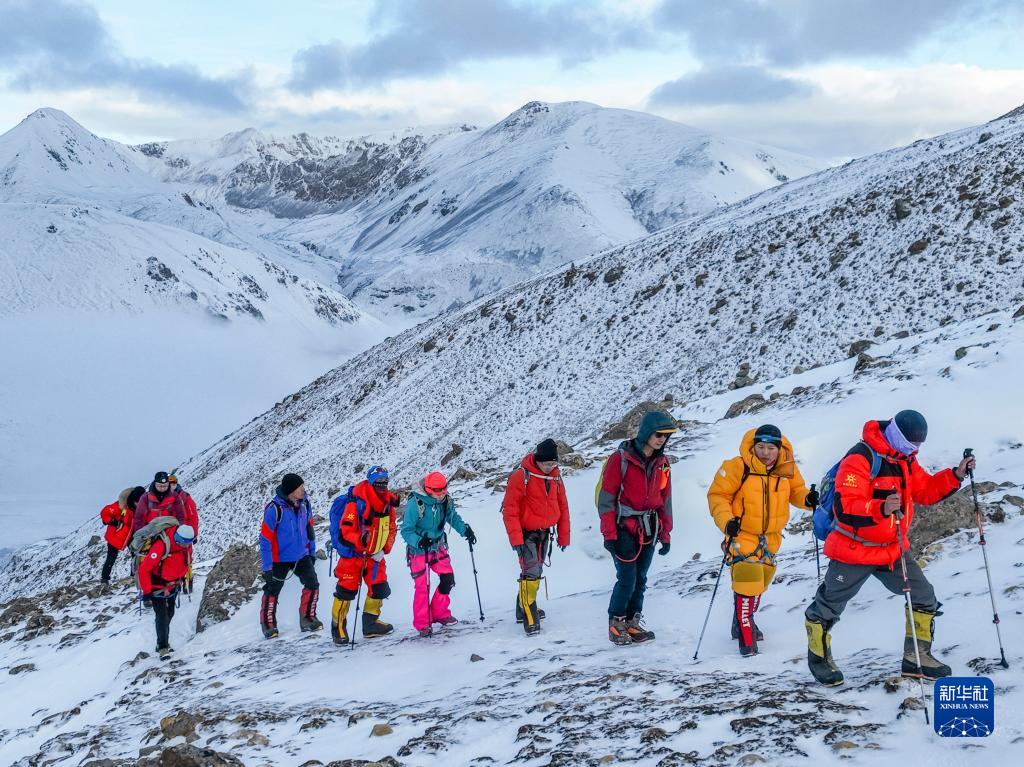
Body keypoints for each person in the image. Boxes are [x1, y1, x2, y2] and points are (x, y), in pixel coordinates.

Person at [804, 410, 974, 686]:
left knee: (923, 596)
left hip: (892, 549)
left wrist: (956, 475)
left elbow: (925, 491)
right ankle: (819, 659)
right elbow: (845, 506)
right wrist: (880, 507)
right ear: (895, 434)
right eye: (910, 444)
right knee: (828, 605)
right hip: (854, 548)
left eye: (917, 445)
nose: (914, 449)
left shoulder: (905, 460)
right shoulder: (860, 458)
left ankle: (917, 658)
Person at [707, 424, 815, 656]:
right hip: (742, 534)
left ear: (779, 449)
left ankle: (741, 623)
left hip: (771, 538)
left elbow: (797, 491)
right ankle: (747, 643)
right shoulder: (737, 467)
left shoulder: (786, 468)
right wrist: (727, 521)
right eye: (761, 447)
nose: (765, 452)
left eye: (771, 448)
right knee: (747, 584)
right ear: (753, 446)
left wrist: (809, 499)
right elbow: (718, 496)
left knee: (758, 586)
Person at [597, 411, 675, 645]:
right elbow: (606, 499)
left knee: (640, 578)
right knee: (627, 578)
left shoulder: (662, 463)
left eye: (666, 436)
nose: (662, 439)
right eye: (658, 434)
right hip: (624, 528)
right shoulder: (620, 459)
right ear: (646, 433)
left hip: (650, 528)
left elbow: (665, 500)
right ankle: (616, 623)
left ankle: (632, 623)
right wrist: (609, 534)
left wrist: (666, 534)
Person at [502, 438, 570, 636]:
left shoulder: (556, 477)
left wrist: (564, 536)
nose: (550, 467)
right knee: (531, 572)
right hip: (526, 534)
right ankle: (529, 616)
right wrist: (516, 540)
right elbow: (510, 510)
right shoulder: (521, 476)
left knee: (535, 570)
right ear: (538, 460)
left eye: (553, 463)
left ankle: (521, 608)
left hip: (545, 532)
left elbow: (563, 506)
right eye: (547, 464)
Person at [401, 471, 476, 637]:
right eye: (438, 491)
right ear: (428, 490)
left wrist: (465, 531)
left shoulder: (445, 500)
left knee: (448, 579)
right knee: (422, 587)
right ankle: (423, 624)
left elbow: (452, 517)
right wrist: (419, 541)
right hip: (419, 551)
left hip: (438, 547)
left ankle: (439, 613)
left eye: (444, 489)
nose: (441, 494)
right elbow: (406, 530)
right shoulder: (416, 503)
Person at [330, 466, 399, 643]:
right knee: (346, 591)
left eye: (385, 480)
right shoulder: (356, 503)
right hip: (353, 556)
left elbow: (392, 528)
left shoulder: (388, 503)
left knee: (379, 588)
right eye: (379, 481)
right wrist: (360, 541)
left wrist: (384, 549)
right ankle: (338, 628)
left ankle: (370, 624)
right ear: (371, 482)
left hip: (375, 557)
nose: (383, 484)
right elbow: (346, 531)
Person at [258, 473, 322, 638]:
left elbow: (309, 529)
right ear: (291, 490)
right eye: (300, 487)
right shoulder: (274, 510)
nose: (303, 490)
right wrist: (267, 567)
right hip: (278, 559)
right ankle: (268, 625)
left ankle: (308, 619)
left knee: (312, 583)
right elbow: (265, 539)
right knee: (272, 589)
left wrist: (311, 552)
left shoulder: (305, 504)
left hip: (301, 555)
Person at [137, 522, 196, 659]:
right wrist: (147, 592)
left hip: (173, 585)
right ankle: (163, 647)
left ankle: (161, 640)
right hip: (156, 586)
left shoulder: (186, 546)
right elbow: (144, 570)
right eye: (184, 543)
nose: (186, 546)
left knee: (170, 613)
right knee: (162, 616)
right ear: (178, 538)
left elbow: (185, 562)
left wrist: (181, 580)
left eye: (188, 543)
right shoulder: (161, 545)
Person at [99, 486, 144, 584]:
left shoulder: (143, 508)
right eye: (137, 502)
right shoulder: (121, 505)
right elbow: (105, 512)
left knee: (135, 555)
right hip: (116, 535)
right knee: (111, 557)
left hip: (131, 535)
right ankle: (104, 579)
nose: (139, 504)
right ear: (133, 500)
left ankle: (133, 576)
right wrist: (112, 521)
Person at [168, 472, 199, 593]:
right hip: (170, 534)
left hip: (185, 533)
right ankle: (176, 582)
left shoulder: (185, 497)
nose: (171, 485)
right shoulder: (164, 498)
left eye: (173, 483)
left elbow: (193, 516)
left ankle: (188, 582)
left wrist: (193, 533)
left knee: (187, 558)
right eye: (169, 483)